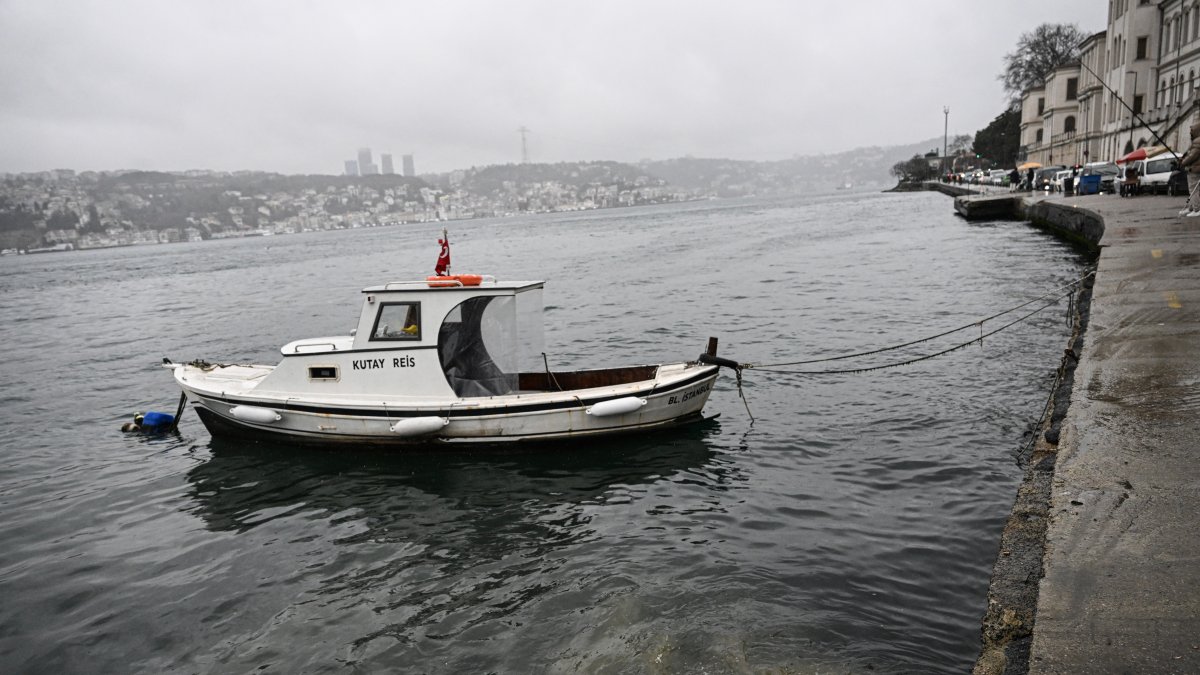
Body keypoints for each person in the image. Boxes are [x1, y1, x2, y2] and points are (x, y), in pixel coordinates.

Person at [1178, 119, 1200, 216]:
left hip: (1194, 169)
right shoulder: (1196, 142)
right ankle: (1192, 207)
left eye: (1192, 131)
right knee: (1192, 189)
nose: (1190, 133)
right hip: (1193, 169)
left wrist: (1183, 162)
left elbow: (1192, 156)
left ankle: (1197, 209)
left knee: (1193, 190)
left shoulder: (1197, 143)